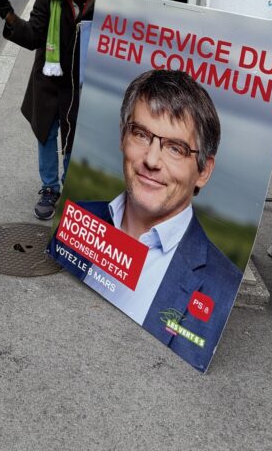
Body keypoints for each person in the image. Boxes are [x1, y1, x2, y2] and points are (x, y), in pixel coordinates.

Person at [50, 69, 242, 370]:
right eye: (141, 134)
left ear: (203, 172)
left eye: (176, 148)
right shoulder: (78, 218)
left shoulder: (222, 284)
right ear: (123, 137)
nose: (151, 160)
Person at [0, 0, 106, 220]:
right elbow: (33, 38)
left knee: (75, 137)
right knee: (45, 133)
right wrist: (8, 15)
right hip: (49, 79)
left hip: (83, 85)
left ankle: (70, 185)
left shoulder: (108, 2)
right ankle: (49, 188)